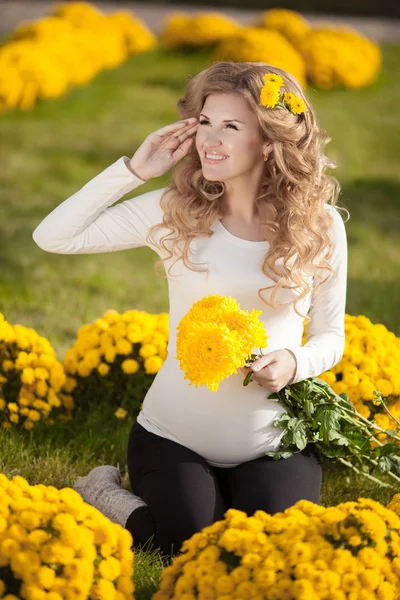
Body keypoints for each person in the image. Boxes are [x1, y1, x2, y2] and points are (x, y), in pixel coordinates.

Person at [32, 61, 348, 560]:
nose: (209, 139)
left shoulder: (321, 226)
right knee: (188, 548)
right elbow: (53, 236)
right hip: (173, 437)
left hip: (273, 440)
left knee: (267, 554)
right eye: (204, 122)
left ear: (269, 141)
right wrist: (135, 171)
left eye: (231, 126)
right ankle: (102, 490)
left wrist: (294, 364)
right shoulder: (174, 211)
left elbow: (331, 335)